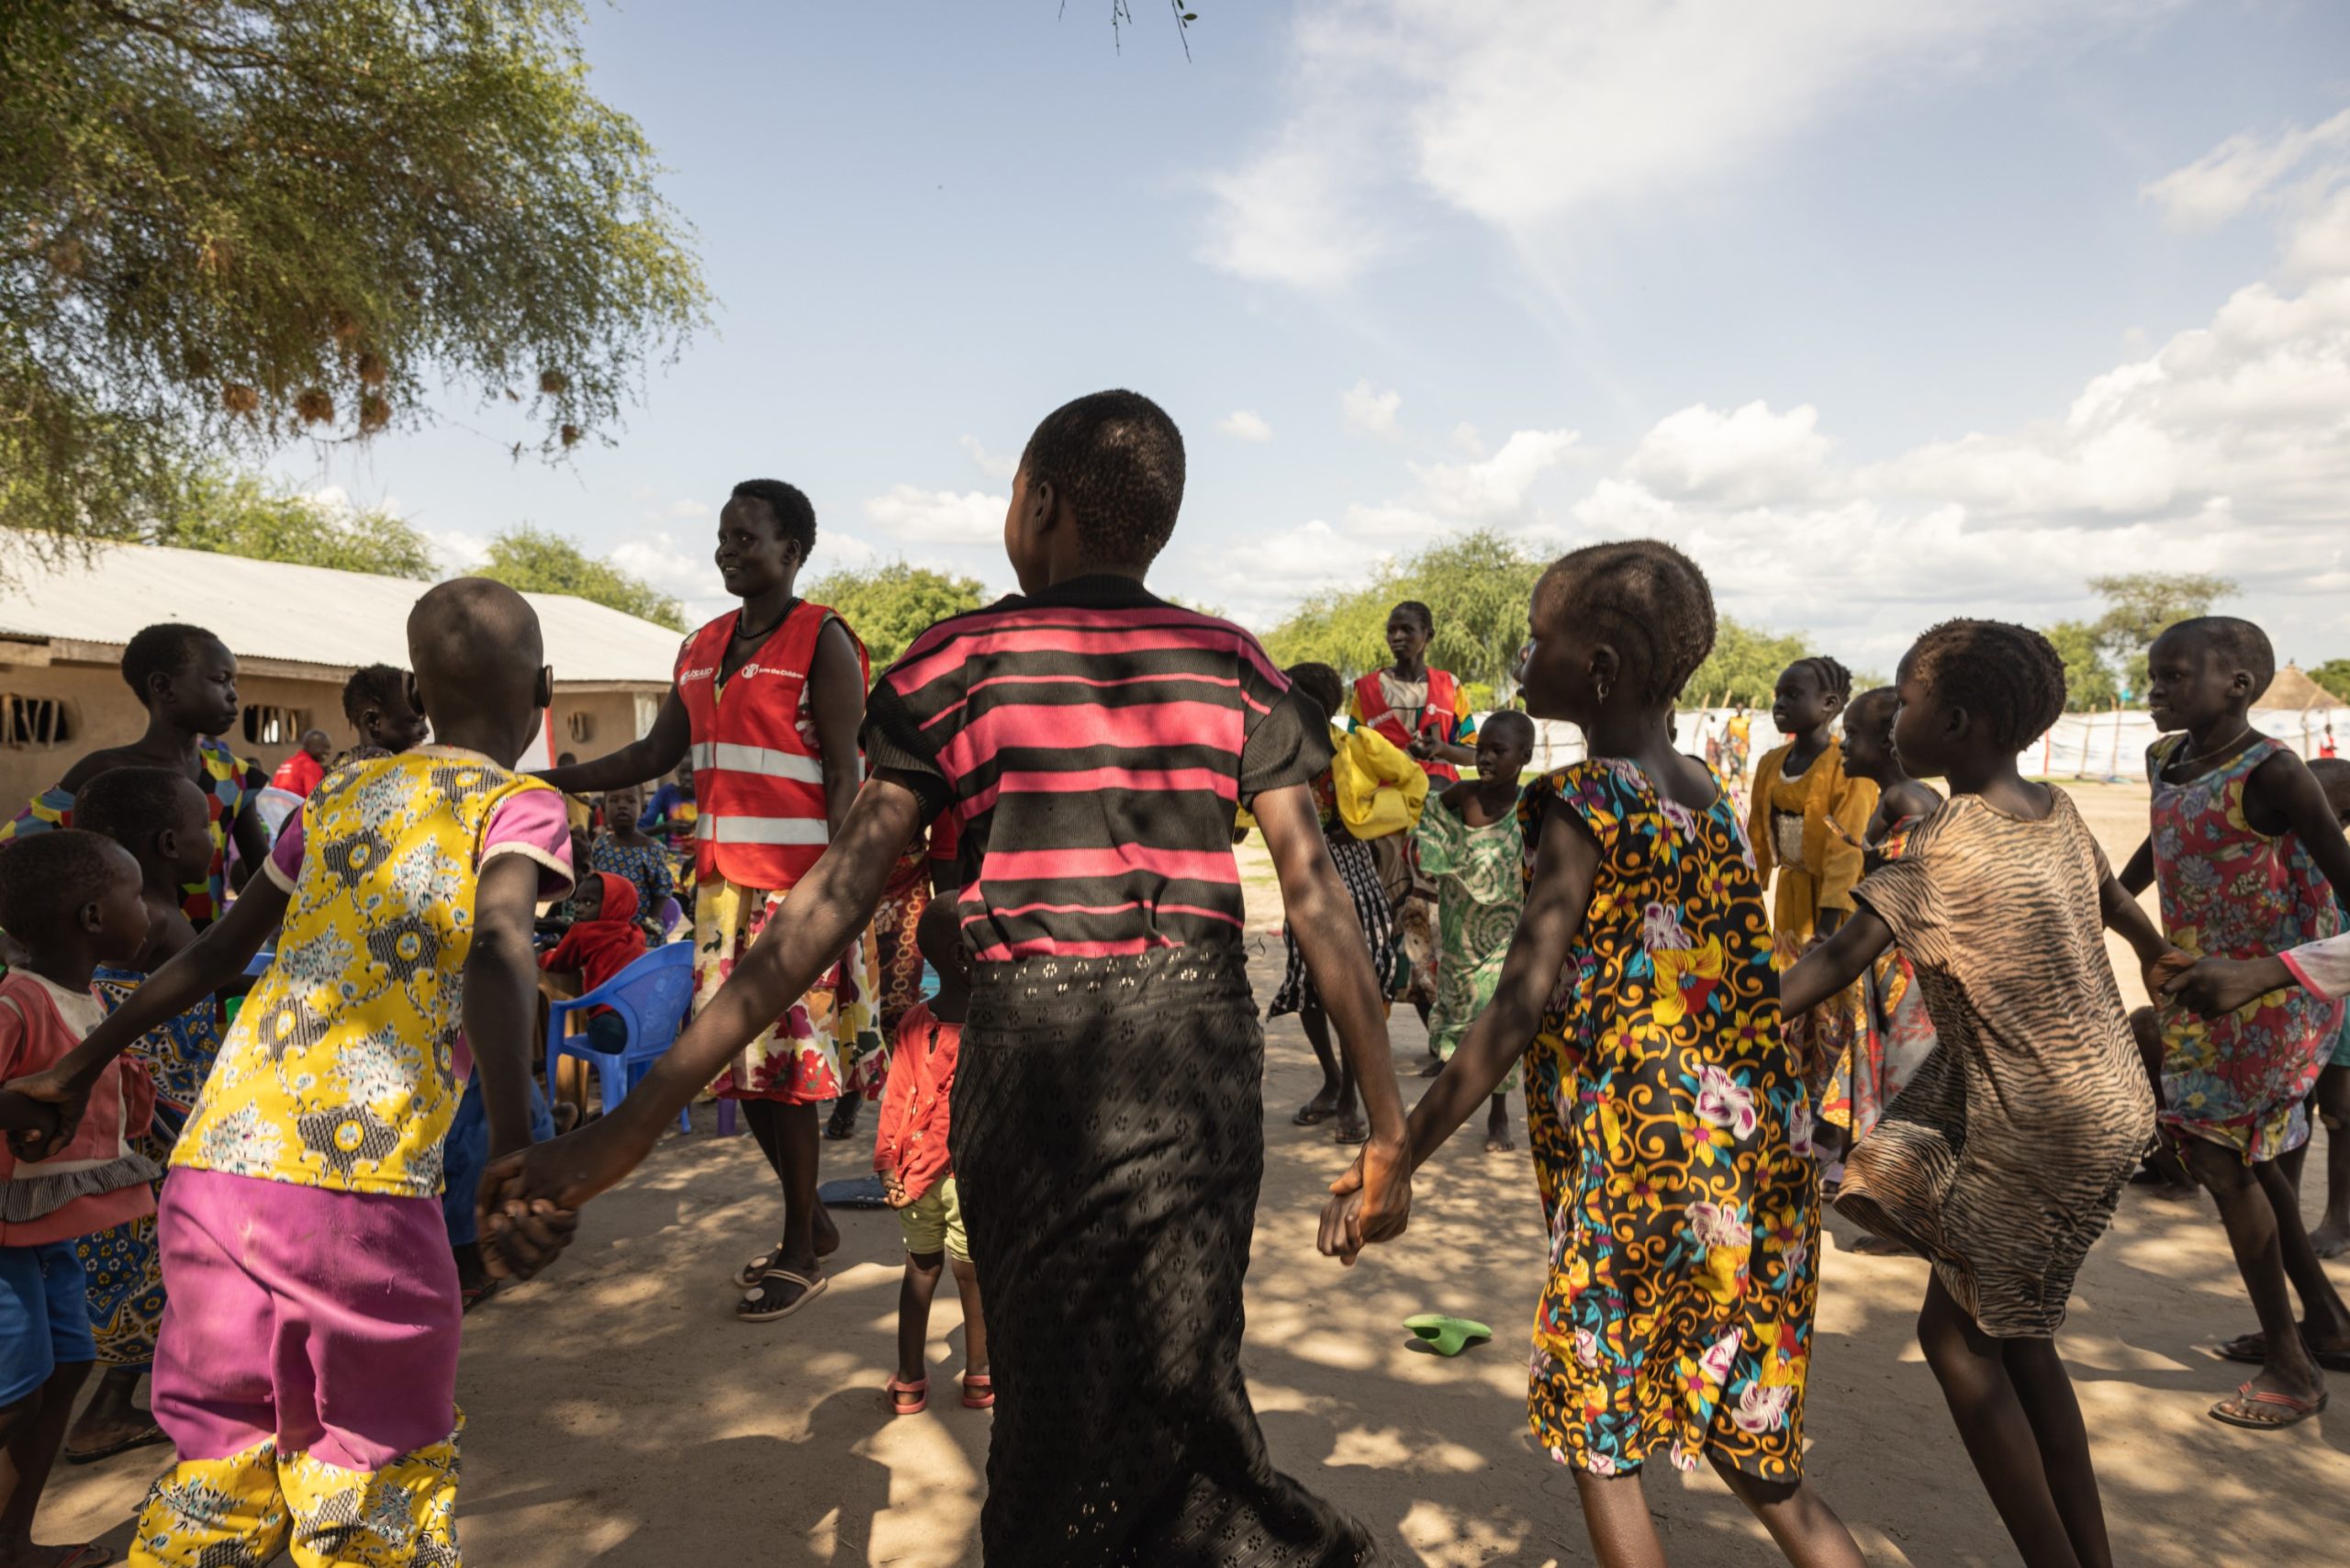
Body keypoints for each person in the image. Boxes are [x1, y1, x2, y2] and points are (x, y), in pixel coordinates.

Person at [480, 389, 1411, 1565]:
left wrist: (643, 1114)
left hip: (1032, 1065)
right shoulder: (1226, 660)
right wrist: (1386, 1126)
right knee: (1184, 1366)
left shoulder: (960, 659)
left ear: (1038, 501)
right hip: (1198, 1060)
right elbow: (1316, 898)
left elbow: (828, 899)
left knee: (1049, 1383)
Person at [9, 579, 576, 1568]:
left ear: (418, 689)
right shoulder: (519, 802)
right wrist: (519, 1146)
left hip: (219, 1168)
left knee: (220, 1459)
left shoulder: (342, 792)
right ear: (546, 690)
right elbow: (497, 943)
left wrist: (78, 1064)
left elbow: (220, 953)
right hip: (358, 1186)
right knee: (372, 1469)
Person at [1326, 541, 1860, 1568]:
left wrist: (1400, 1151)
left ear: (1601, 665)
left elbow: (1517, 1007)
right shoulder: (1705, 794)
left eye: (1538, 637)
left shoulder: (1583, 803)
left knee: (1598, 1433)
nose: (1523, 655)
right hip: (1752, 1164)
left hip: (1644, 1171)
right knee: (1753, 1445)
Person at [1780, 619, 2178, 1568]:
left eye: (1904, 701)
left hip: (2042, 1116)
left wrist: (1705, 1011)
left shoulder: (1943, 843)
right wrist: (2163, 960)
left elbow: (1837, 957)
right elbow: (2121, 910)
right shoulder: (2056, 808)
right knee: (2018, 1332)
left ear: (1953, 720)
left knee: (1955, 1342)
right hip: (2100, 1094)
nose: (1890, 716)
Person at [538, 479, 878, 1324]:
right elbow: (657, 750)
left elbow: (846, 773)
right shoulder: (698, 647)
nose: (728, 551)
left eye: (747, 538)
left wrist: (845, 892)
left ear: (792, 551)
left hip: (799, 891)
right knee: (742, 1071)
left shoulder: (823, 640)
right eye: (722, 537)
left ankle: (801, 1247)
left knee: (788, 1076)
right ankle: (813, 1223)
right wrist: (554, 780)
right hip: (721, 896)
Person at [2114, 618, 2350, 1427]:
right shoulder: (2164, 760)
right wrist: (2115, 908)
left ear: (2238, 686)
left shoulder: (2275, 773)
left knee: (2221, 1161)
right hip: (2197, 990)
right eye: (2154, 678)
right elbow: (2159, 849)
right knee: (2262, 1169)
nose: (2156, 693)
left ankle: (2293, 1368)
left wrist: (2265, 977)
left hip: (2273, 998)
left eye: (2173, 677)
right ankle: (2325, 1325)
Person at [0, 831, 156, 1568]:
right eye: (136, 896)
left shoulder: (91, 999)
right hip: (4, 1242)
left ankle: (12, 1541)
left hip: (44, 1236)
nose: (148, 911)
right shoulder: (18, 1004)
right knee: (12, 1390)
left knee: (64, 1368)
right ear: (93, 917)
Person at [62, 768, 222, 1465]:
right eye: (202, 827)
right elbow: (214, 972)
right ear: (167, 843)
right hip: (161, 1125)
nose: (211, 838)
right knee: (163, 1270)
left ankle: (117, 1405)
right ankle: (110, 1414)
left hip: (132, 1122)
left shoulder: (116, 916)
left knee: (144, 1271)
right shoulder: (158, 920)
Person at [0, 623, 271, 929]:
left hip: (200, 955)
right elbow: (12, 847)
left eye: (234, 682)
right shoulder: (106, 771)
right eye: (220, 681)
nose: (234, 695)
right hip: (118, 957)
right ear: (163, 687)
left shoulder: (234, 777)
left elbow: (263, 876)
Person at [1269, 662, 1404, 1148]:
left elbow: (1407, 782)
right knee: (1307, 984)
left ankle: (1349, 1096)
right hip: (1304, 874)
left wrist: (1367, 821)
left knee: (1351, 981)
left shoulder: (1352, 748)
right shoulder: (1279, 750)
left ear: (1325, 709)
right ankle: (1331, 1080)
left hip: (1352, 875)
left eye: (1292, 697)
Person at [1815, 687, 1942, 1179]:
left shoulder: (1907, 798)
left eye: (1852, 735)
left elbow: (1923, 881)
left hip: (1905, 961)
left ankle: (1903, 1200)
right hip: (1888, 957)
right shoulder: (1898, 796)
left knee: (1904, 1072)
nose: (1843, 746)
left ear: (1887, 742)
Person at [876, 901, 989, 1417]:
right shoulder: (995, 1024)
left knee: (920, 1272)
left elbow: (896, 1099)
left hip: (915, 1173)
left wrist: (887, 1164)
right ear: (967, 955)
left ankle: (909, 1382)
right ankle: (981, 1380)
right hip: (974, 1178)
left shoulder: (916, 1023)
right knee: (974, 1277)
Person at [1349, 600, 1478, 1042]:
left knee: (1439, 928)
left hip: (1442, 827)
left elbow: (1477, 754)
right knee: (1391, 924)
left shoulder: (1450, 687)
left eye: (1406, 629)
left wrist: (1441, 751)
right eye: (1391, 629)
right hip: (1387, 831)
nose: (1397, 637)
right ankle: (1379, 1038)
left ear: (1429, 634)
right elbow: (1352, 756)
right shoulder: (1365, 690)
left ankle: (1444, 1039)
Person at [1749, 658, 1875, 1104]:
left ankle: (1829, 1112)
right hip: (1789, 899)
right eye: (1777, 696)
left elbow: (1846, 849)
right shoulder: (1771, 763)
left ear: (1829, 705)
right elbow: (1756, 841)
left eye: (1792, 695)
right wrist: (1743, 905)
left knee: (1831, 1003)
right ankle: (1789, 1097)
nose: (1779, 704)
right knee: (1787, 995)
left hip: (1833, 909)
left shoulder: (1847, 768)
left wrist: (1826, 927)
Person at [1415, 709, 1537, 1153]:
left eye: (1496, 751)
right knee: (1460, 1007)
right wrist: (1438, 859)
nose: (1484, 758)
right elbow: (1430, 818)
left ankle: (1499, 1114)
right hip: (1461, 930)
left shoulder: (1529, 806)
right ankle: (1452, 1100)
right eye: (1480, 749)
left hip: (1505, 934)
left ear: (1524, 756)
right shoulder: (1462, 795)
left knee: (1497, 1016)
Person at [2285, 756, 2350, 1255]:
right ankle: (2283, 1208)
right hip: (2295, 1003)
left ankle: (2340, 1218)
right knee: (2295, 1107)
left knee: (2341, 1112)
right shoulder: (2286, 859)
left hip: (2343, 1009)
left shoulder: (2338, 865)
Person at [588, 783, 677, 939]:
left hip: (641, 931)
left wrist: (652, 920)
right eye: (614, 800)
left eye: (630, 801)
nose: (622, 806)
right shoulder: (600, 845)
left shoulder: (652, 848)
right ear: (603, 809)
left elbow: (663, 889)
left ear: (642, 809)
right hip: (606, 929)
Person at [340, 663, 431, 762]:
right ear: (373, 722)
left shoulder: (338, 769)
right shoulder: (399, 773)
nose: (426, 730)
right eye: (414, 722)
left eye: (424, 720)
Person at [267, 728, 332, 799]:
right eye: (323, 747)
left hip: (274, 807)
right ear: (308, 746)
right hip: (294, 807)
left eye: (328, 748)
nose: (327, 752)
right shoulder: (310, 766)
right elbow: (314, 798)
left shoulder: (288, 762)